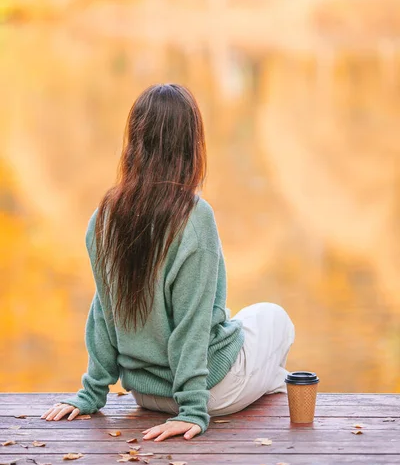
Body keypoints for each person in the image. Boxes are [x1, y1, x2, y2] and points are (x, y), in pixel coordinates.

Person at [41, 83, 295, 441]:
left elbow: (104, 310)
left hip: (145, 393)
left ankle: (268, 380)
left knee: (245, 329)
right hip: (206, 394)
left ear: (134, 142)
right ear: (191, 145)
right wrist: (193, 409)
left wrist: (93, 391)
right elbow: (191, 321)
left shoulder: (103, 218)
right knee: (273, 317)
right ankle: (268, 383)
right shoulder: (195, 217)